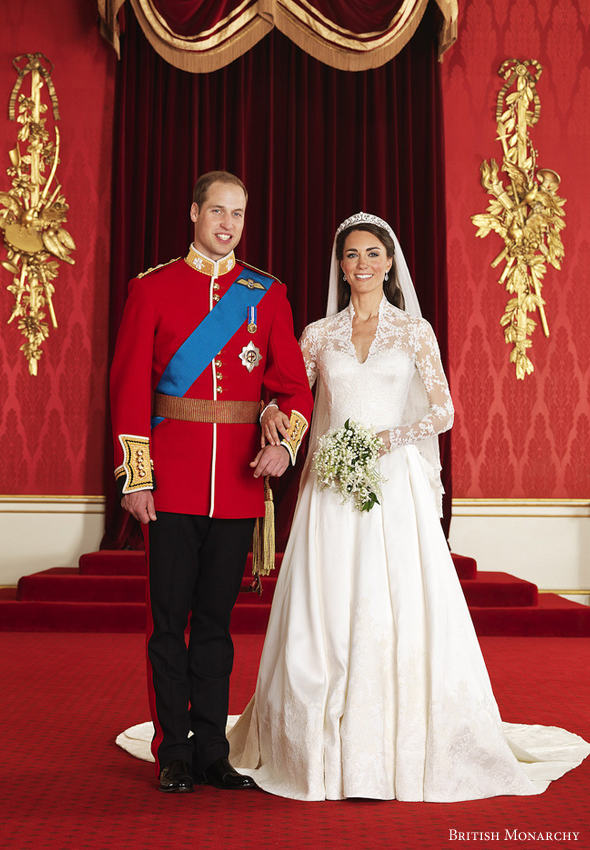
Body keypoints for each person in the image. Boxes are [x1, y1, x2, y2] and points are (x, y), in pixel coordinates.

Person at [224, 212, 590, 801]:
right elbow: (292, 395)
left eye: (373, 254)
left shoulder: (415, 332)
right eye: (351, 256)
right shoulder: (318, 334)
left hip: (393, 485)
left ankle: (394, 749)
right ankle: (316, 750)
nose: (362, 265)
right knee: (326, 608)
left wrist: (387, 441)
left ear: (390, 263)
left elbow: (442, 412)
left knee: (391, 607)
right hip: (330, 486)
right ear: (339, 266)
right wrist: (272, 413)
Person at [110, 171, 313, 793]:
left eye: (239, 214)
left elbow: (293, 387)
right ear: (194, 212)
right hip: (169, 483)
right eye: (218, 211)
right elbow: (126, 392)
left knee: (218, 626)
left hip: (237, 487)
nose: (228, 224)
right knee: (170, 623)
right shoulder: (152, 288)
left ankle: (212, 753)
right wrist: (136, 478)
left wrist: (283, 444)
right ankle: (173, 751)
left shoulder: (265, 294)